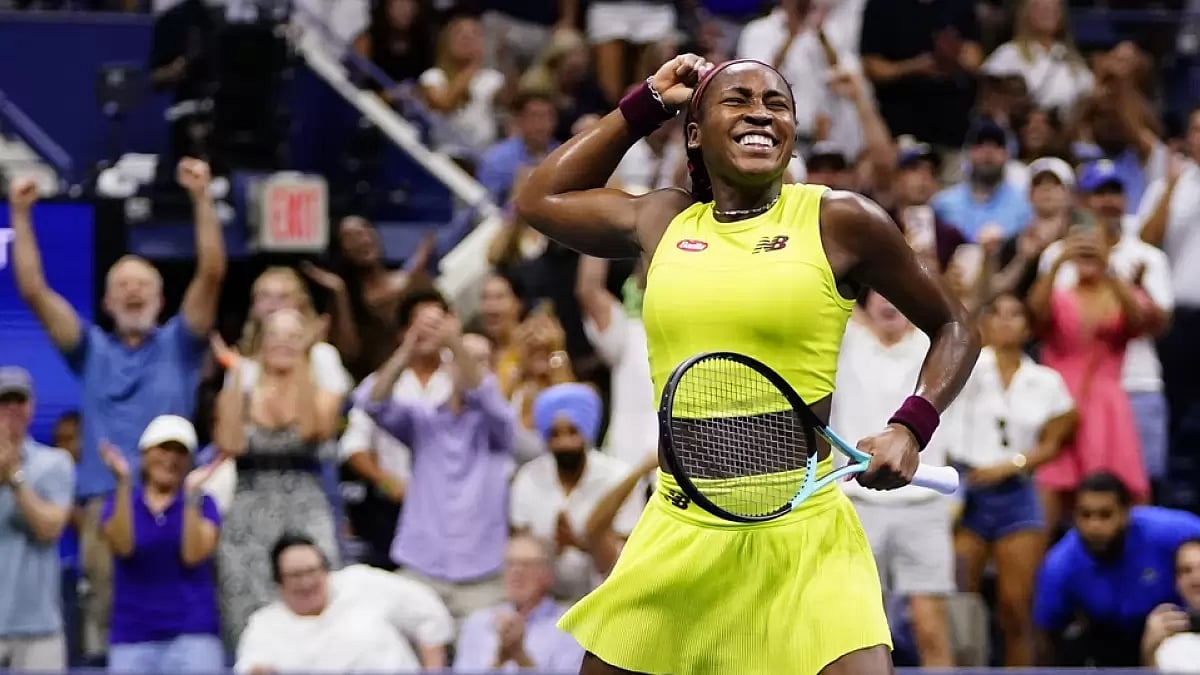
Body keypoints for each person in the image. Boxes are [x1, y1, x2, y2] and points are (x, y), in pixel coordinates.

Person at [515, 54, 979, 675]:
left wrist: (910, 425)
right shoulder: (662, 219)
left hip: (804, 530)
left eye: (777, 103)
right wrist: (647, 102)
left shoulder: (840, 219)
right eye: (737, 100)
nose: (760, 112)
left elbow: (955, 325)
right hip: (681, 525)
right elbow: (541, 197)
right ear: (695, 132)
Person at [8, 159, 225, 660]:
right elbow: (34, 292)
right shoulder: (91, 351)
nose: (133, 290)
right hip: (105, 507)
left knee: (186, 633)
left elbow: (212, 272)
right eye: (122, 284)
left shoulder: (181, 345)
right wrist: (20, 214)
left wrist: (200, 198)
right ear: (105, 302)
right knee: (108, 641)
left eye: (143, 282)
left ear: (161, 297)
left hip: (176, 507)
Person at [951, 294, 1077, 666]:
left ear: (1028, 326)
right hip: (964, 487)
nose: (1006, 322)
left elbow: (1054, 441)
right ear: (985, 322)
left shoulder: (1046, 381)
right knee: (960, 601)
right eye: (998, 314)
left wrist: (1012, 465)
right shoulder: (965, 366)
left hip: (1016, 490)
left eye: (1015, 314)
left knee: (1016, 606)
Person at [1033, 472, 1200, 666]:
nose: (1094, 526)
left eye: (1105, 515)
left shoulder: (1169, 531)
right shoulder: (1059, 565)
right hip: (1106, 643)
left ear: (1127, 513)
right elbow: (1045, 634)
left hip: (1176, 631)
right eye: (1085, 515)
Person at [98, 415, 223, 674]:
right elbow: (122, 547)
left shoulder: (205, 503)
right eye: (163, 448)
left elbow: (193, 555)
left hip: (193, 634)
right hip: (132, 635)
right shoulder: (118, 503)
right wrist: (122, 482)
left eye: (180, 451)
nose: (171, 458)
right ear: (145, 453)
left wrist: (190, 496)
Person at [236, 532, 452, 674]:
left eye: (312, 571)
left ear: (326, 570)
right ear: (279, 583)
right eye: (295, 575)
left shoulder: (361, 581)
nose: (307, 582)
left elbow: (429, 614)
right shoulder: (264, 625)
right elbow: (252, 667)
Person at [0, 367, 74, 671]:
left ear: (32, 407)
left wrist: (14, 476)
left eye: (20, 401)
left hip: (39, 630)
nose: (13, 409)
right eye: (5, 401)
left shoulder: (54, 462)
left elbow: (50, 528)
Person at [1141, 538, 1200, 671]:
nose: (1196, 578)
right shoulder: (1164, 632)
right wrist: (1149, 651)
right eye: (1186, 570)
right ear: (1177, 582)